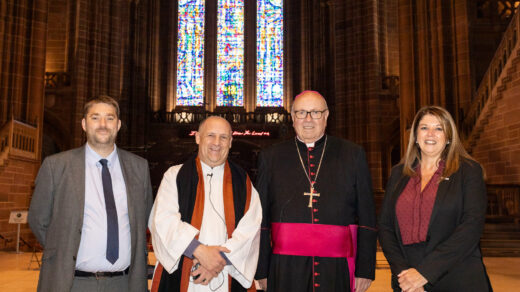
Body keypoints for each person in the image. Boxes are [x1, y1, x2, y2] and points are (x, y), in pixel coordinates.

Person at [255, 90, 377, 292]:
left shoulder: (352, 154)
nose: (308, 119)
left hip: (335, 266)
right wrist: (262, 270)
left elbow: (367, 216)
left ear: (326, 116)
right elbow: (261, 220)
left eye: (316, 113)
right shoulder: (271, 157)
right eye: (301, 113)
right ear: (293, 117)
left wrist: (365, 269)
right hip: (284, 267)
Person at [28, 95, 153, 292]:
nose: (103, 124)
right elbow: (38, 219)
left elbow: (144, 218)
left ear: (118, 125)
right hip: (72, 283)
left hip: (125, 283)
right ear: (84, 124)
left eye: (110, 118)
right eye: (95, 118)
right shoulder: (56, 166)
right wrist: (64, 248)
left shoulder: (139, 167)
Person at [378, 106, 493, 292]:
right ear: (415, 135)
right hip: (407, 281)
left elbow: (471, 226)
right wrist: (404, 273)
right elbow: (385, 226)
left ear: (448, 136)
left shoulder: (468, 171)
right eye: (424, 128)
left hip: (456, 276)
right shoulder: (398, 174)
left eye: (439, 128)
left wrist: (424, 273)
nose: (430, 133)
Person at [149, 116, 262, 292]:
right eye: (210, 135)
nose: (217, 143)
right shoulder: (174, 175)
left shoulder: (243, 182)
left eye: (223, 137)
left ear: (230, 142)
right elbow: (163, 221)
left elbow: (251, 228)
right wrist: (199, 251)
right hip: (184, 271)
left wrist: (217, 261)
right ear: (198, 138)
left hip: (225, 274)